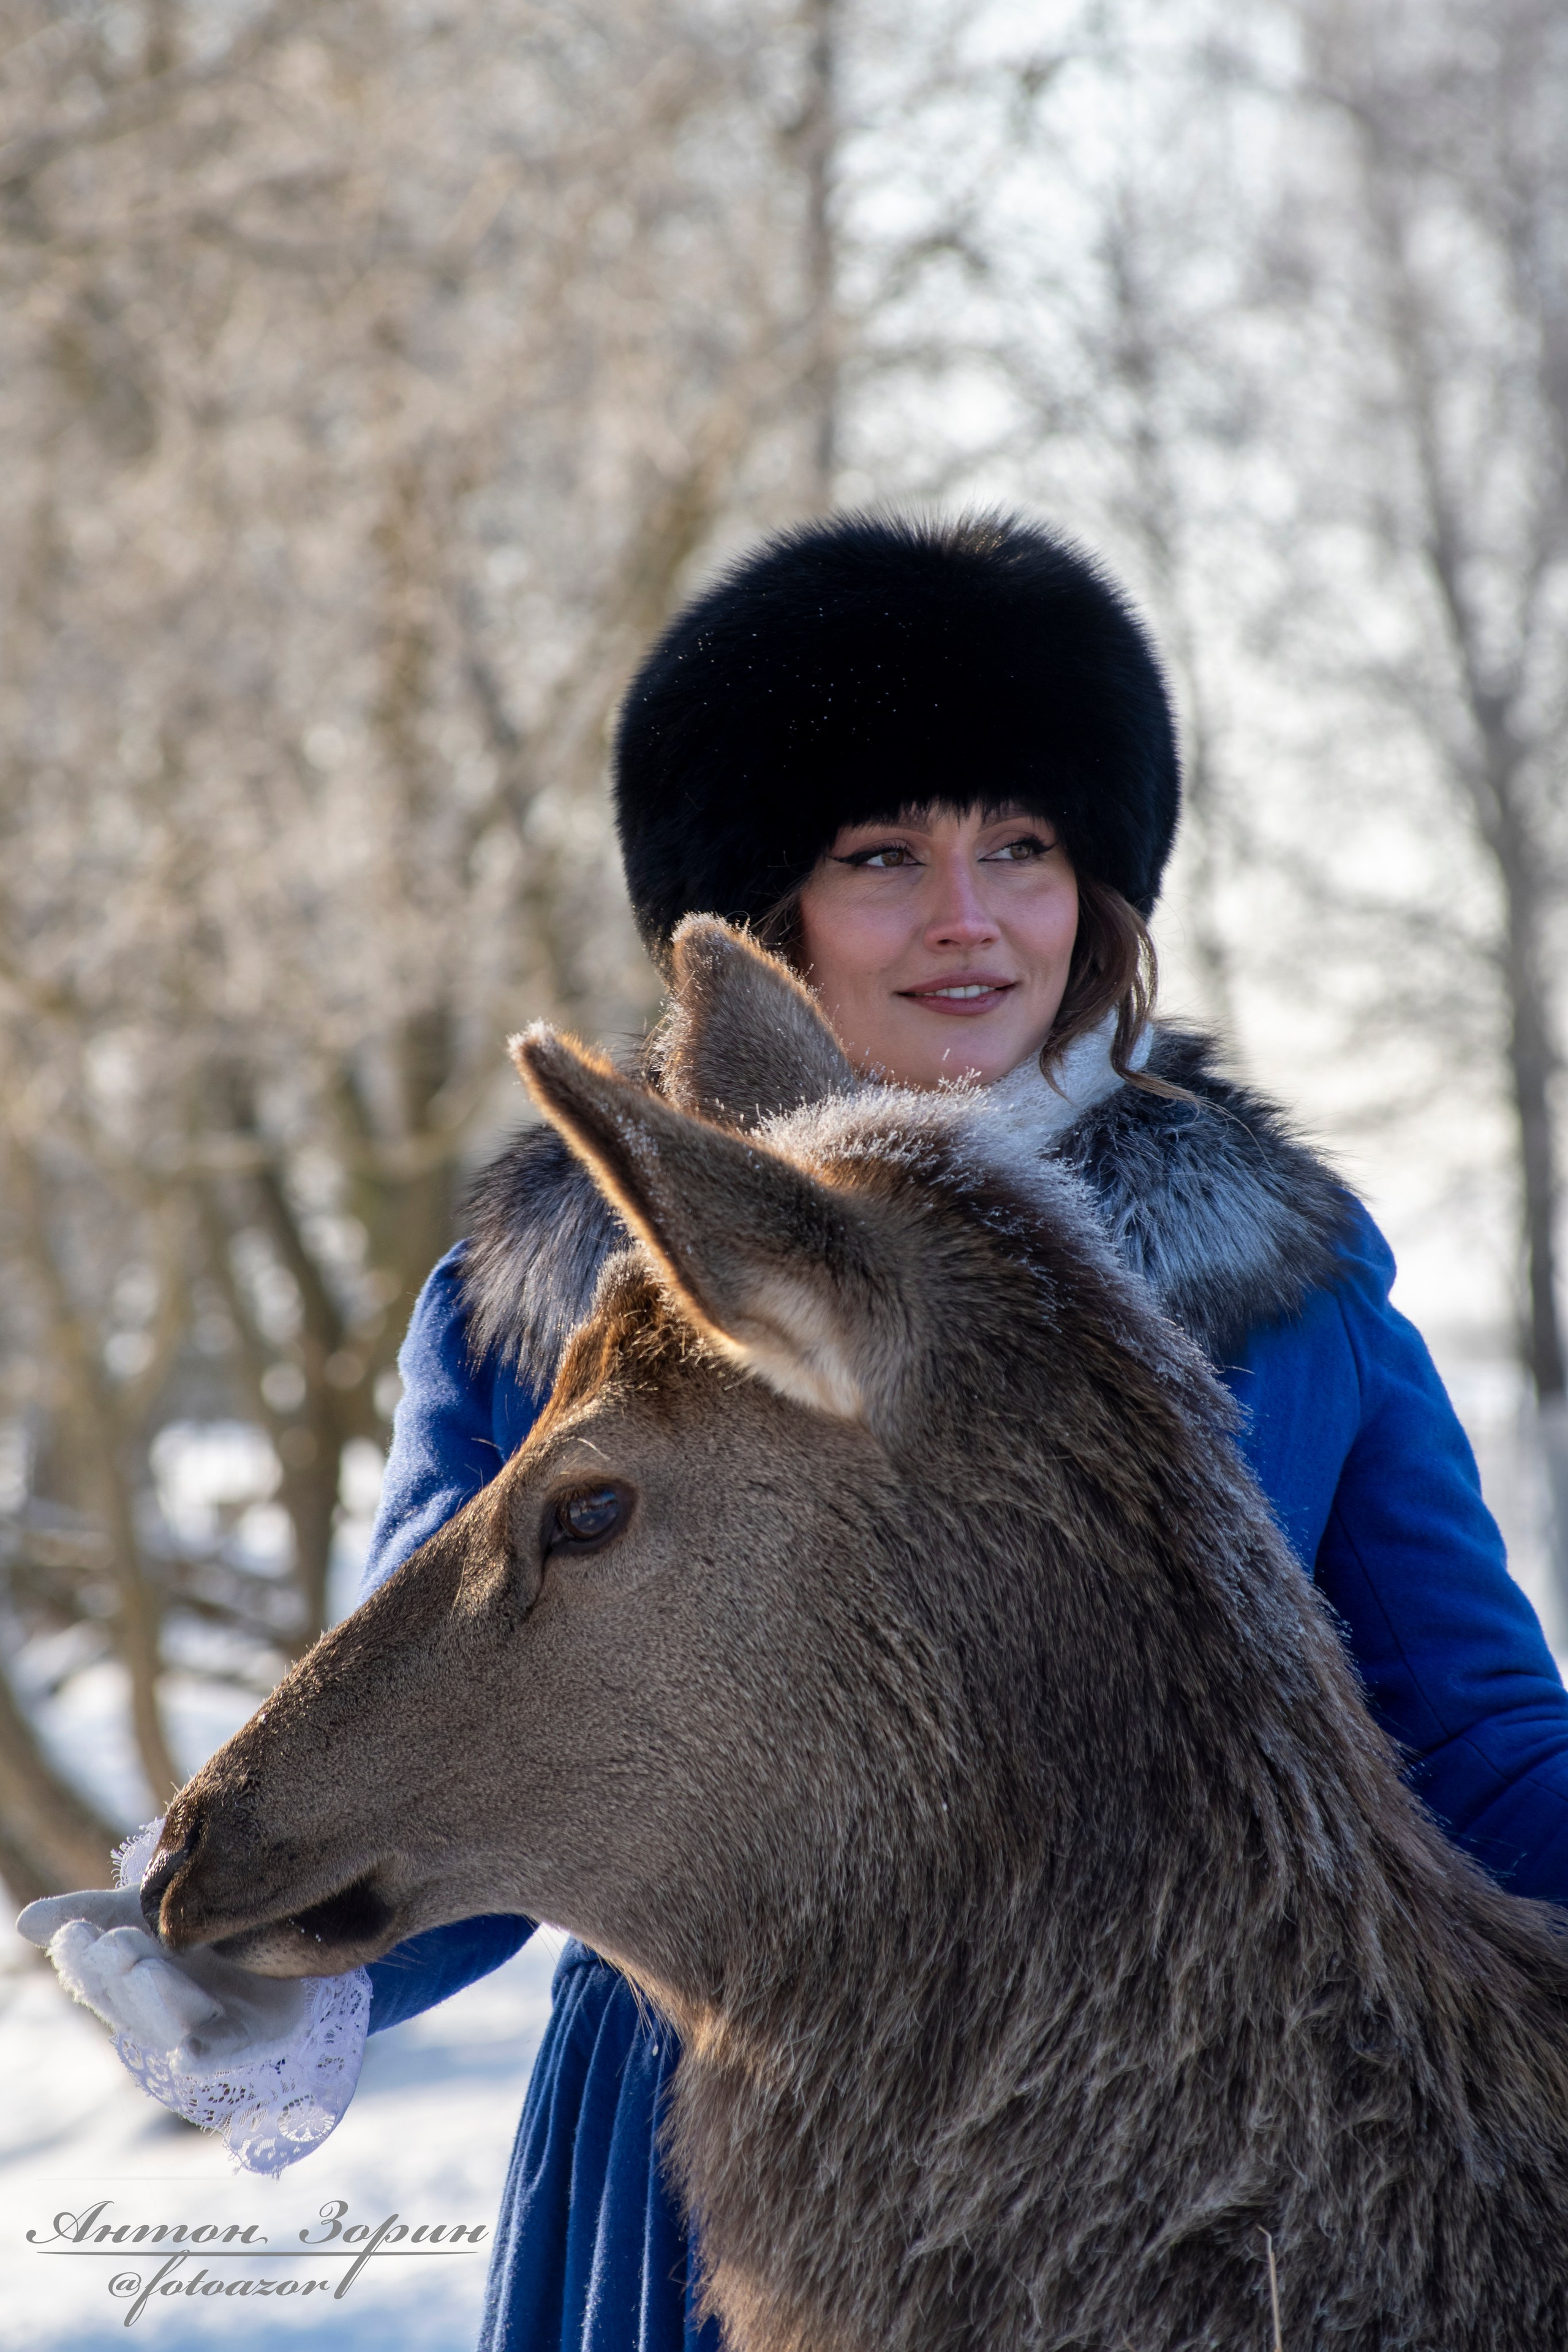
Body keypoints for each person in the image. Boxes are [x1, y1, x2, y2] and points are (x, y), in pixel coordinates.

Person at [353, 511, 1568, 2350]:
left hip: (1193, 2181)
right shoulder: (552, 1293)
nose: (969, 919)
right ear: (765, 904)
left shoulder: (1286, 1286)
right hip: (717, 2171)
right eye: (883, 855)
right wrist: (250, 1983)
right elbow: (444, 1733)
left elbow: (1470, 1731)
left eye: (1023, 846)